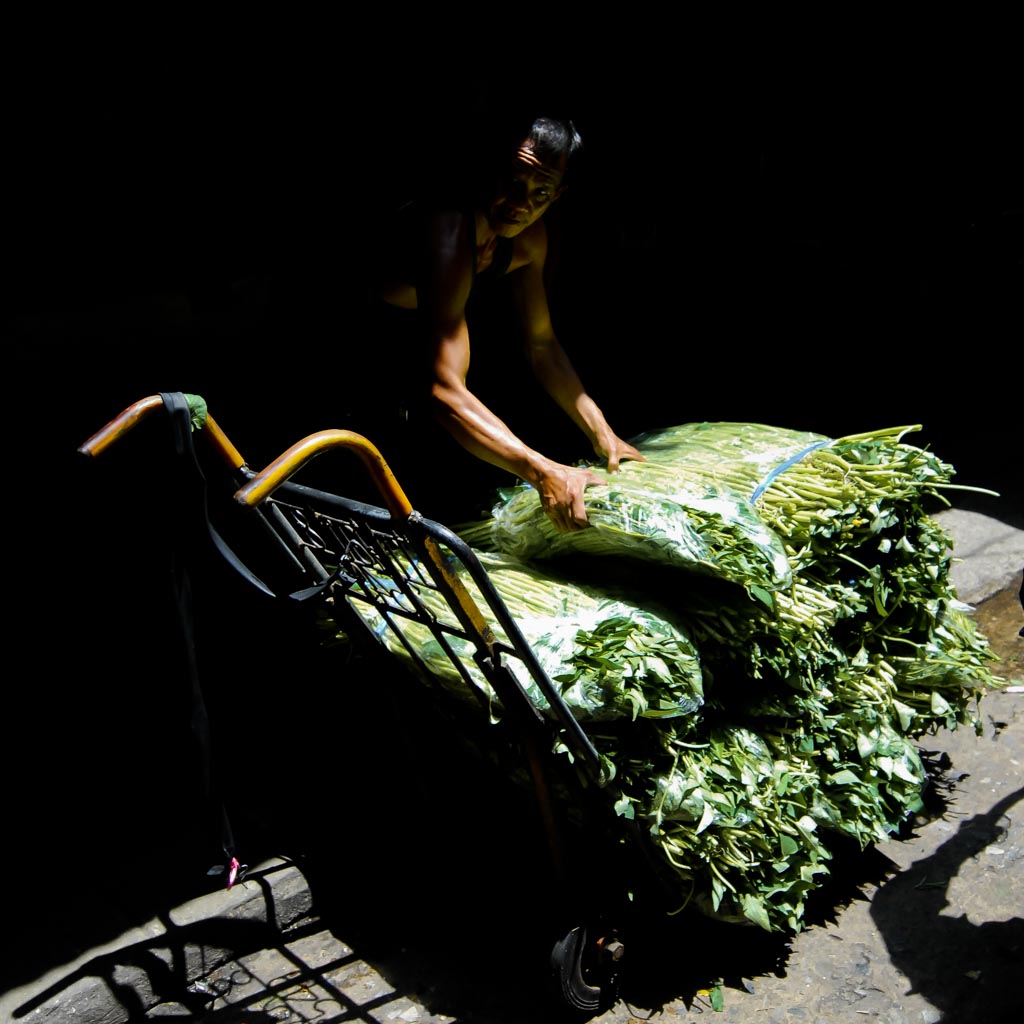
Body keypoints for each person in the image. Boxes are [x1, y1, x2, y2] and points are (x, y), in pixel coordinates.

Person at [370, 112, 645, 532]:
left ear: (557, 196)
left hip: (413, 366)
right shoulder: (448, 228)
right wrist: (541, 470)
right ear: (491, 171)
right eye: (515, 182)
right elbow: (442, 390)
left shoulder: (529, 240)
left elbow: (542, 345)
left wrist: (601, 432)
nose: (522, 202)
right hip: (353, 359)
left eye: (541, 192)